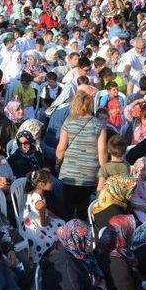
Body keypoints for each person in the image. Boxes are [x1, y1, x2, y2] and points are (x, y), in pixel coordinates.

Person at [55, 90, 107, 220]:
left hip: (69, 171)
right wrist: (103, 173)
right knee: (83, 208)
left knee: (68, 209)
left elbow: (61, 148)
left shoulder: (68, 122)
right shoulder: (99, 124)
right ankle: (82, 236)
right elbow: (102, 151)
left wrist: (57, 163)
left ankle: (68, 235)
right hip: (90, 172)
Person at [21, 168, 64, 263]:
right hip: (36, 228)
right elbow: (43, 224)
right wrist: (49, 220)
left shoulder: (34, 193)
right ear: (41, 184)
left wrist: (54, 217)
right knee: (60, 227)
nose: (52, 183)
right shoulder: (40, 203)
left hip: (30, 221)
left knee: (60, 221)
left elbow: (46, 212)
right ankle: (51, 250)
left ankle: (55, 246)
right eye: (50, 182)